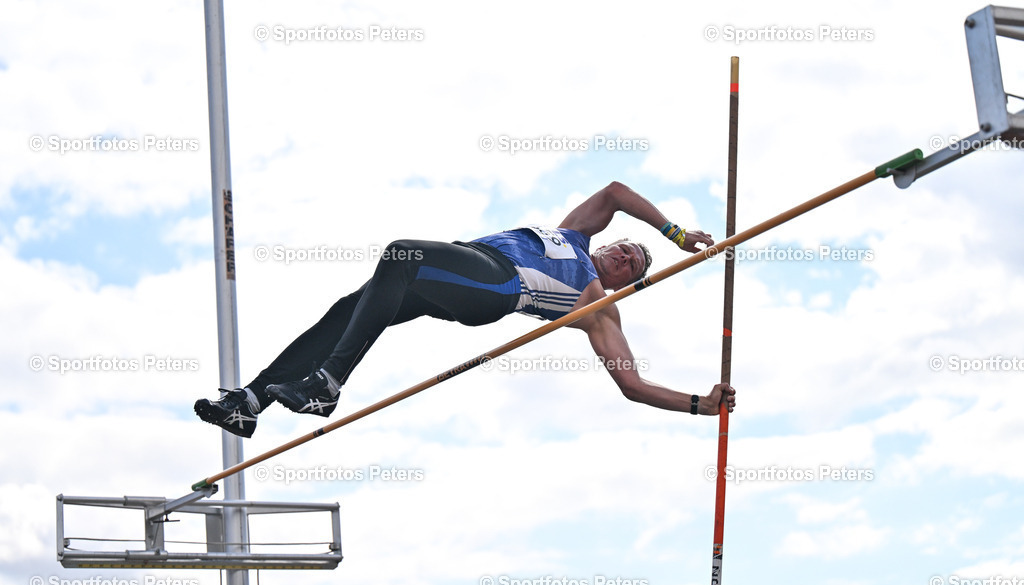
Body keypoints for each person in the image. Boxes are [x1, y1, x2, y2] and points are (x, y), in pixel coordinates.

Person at [195, 181, 737, 437]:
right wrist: (671, 231)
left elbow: (632, 386)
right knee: (349, 307)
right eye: (625, 246)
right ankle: (252, 401)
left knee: (400, 254)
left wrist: (699, 404)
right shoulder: (575, 231)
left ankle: (328, 384)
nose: (624, 254)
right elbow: (618, 192)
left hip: (494, 288)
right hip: (464, 266)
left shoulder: (596, 304)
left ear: (625, 283)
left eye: (634, 264)